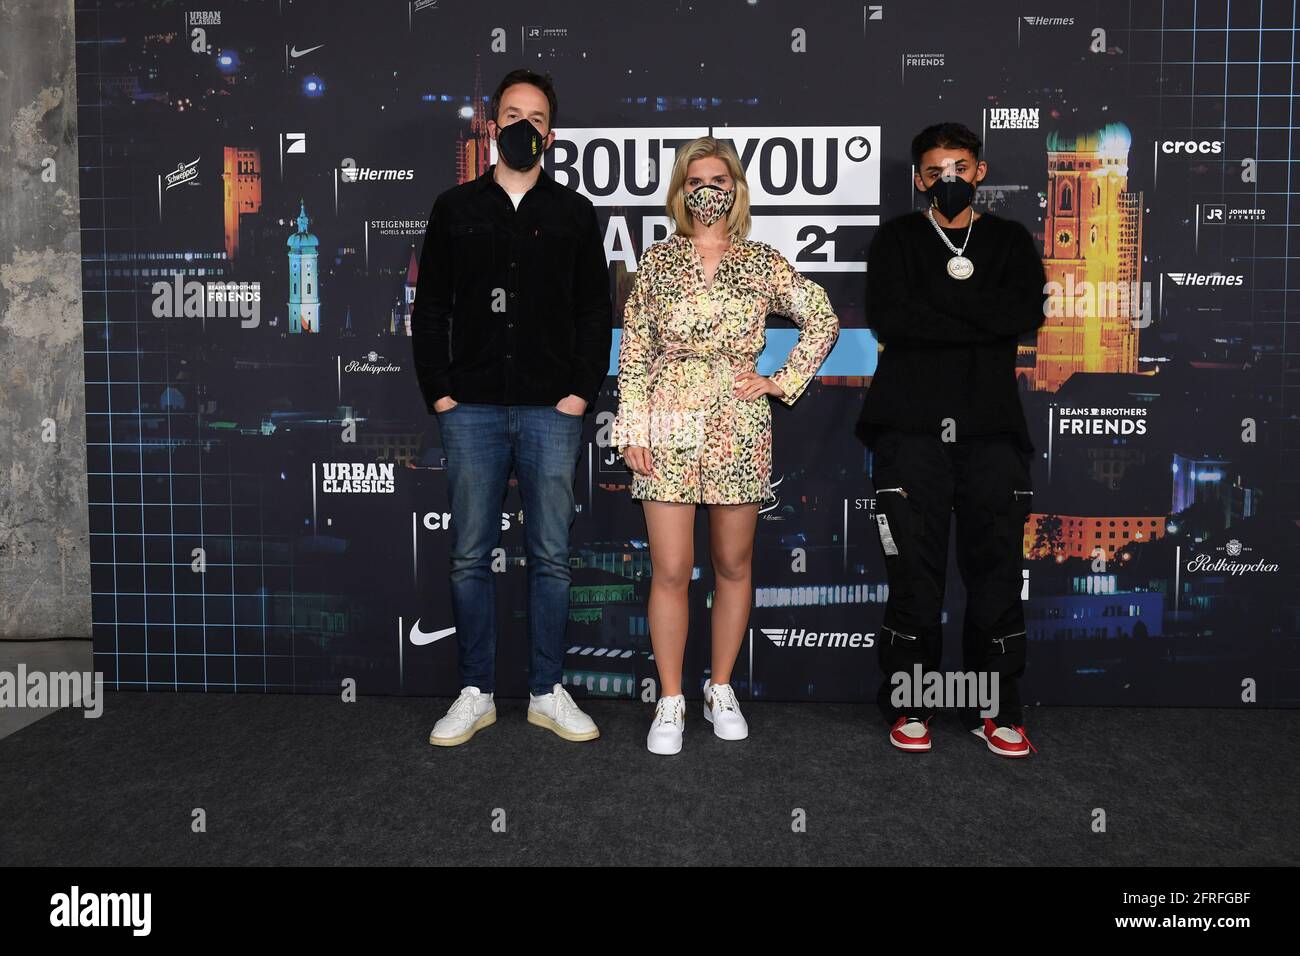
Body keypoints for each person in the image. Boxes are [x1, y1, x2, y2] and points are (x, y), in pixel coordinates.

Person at [611, 136, 840, 756]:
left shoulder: (763, 262)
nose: (705, 189)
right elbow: (635, 348)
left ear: (736, 190)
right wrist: (631, 426)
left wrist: (780, 380)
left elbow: (823, 319)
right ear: (681, 192)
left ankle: (719, 688)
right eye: (694, 180)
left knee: (733, 565)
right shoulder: (657, 262)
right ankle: (670, 699)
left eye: (717, 179)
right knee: (668, 568)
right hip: (667, 415)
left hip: (740, 420)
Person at [410, 69, 612, 747]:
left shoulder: (575, 214)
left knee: (552, 557)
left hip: (553, 410)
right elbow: (430, 306)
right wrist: (439, 389)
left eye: (536, 117)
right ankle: (476, 692)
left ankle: (547, 691)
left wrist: (581, 392)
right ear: (493, 125)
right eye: (512, 113)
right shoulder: (455, 208)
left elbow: (594, 312)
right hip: (469, 409)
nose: (523, 125)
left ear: (550, 135)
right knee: (470, 555)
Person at [855, 122, 1048, 758]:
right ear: (919, 178)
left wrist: (939, 311)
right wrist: (977, 316)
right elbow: (892, 317)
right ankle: (912, 705)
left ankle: (998, 710)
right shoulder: (897, 239)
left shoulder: (1011, 241)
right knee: (914, 575)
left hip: (992, 432)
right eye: (936, 170)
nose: (950, 180)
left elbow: (1022, 317)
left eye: (961, 167)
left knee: (996, 574)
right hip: (909, 432)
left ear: (981, 171)